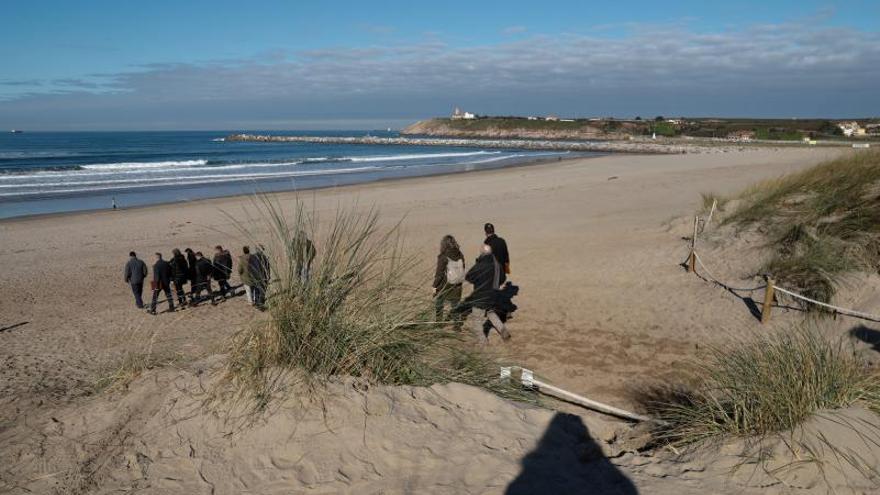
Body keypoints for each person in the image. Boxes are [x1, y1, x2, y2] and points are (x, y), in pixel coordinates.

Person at [462, 244, 510, 343]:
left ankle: (482, 341)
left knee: (477, 318)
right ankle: (503, 330)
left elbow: (469, 277)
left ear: (482, 253)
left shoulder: (479, 265)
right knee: (490, 312)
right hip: (493, 295)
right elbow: (502, 279)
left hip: (480, 297)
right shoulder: (497, 265)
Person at [432, 235, 465, 323]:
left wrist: (434, 286)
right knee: (455, 304)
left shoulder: (443, 256)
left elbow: (439, 274)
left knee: (439, 302)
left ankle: (438, 323)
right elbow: (463, 267)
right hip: (458, 283)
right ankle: (457, 325)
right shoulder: (460, 254)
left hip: (446, 284)